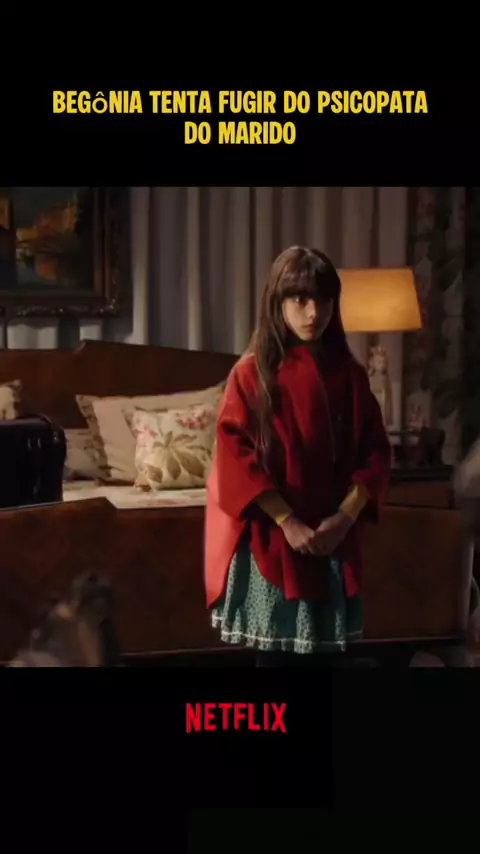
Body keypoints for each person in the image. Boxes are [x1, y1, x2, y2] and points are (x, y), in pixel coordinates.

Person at [204, 246, 392, 666]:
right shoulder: (250, 375)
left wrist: (343, 519)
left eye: (324, 300)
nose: (314, 312)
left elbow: (376, 451)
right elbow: (236, 457)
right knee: (275, 661)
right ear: (278, 301)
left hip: (332, 537)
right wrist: (287, 522)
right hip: (274, 537)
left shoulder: (350, 375)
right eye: (300, 298)